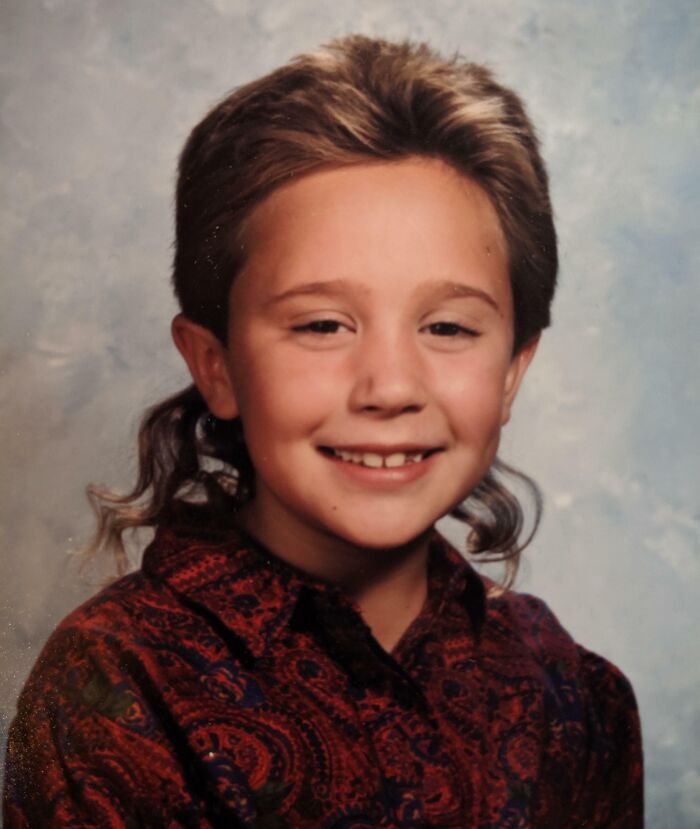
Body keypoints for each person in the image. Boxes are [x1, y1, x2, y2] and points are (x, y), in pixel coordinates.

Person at [3, 34, 643, 828]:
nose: (390, 388)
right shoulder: (114, 687)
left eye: (446, 327)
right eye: (321, 324)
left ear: (513, 370)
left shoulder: (574, 698)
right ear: (217, 365)